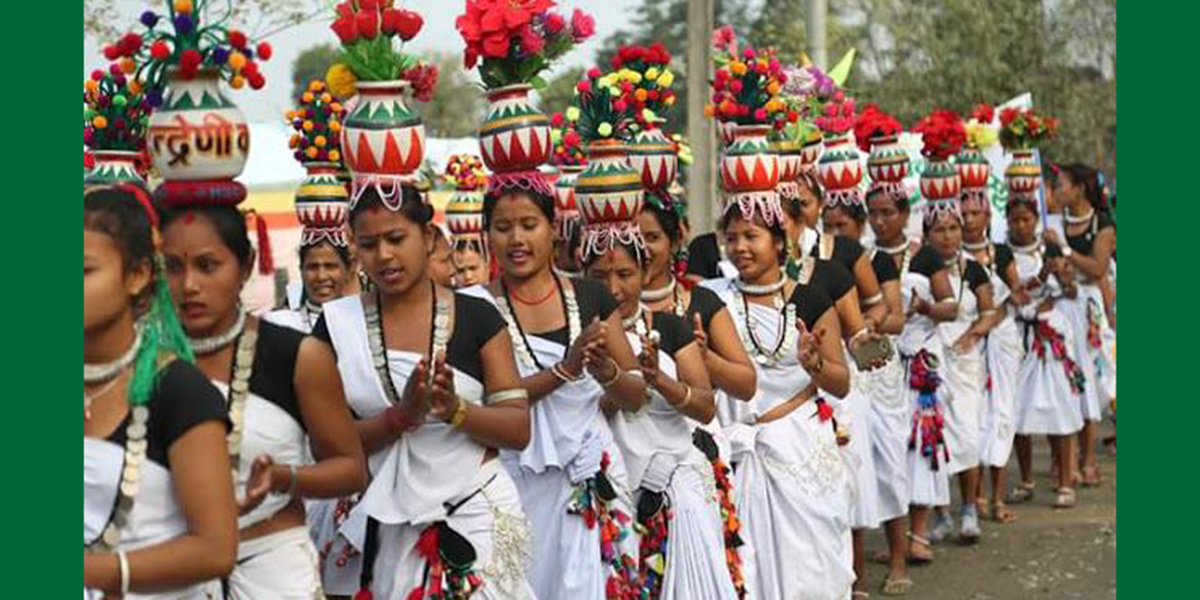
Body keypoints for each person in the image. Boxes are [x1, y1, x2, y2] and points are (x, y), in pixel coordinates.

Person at [314, 183, 537, 599]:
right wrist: (397, 419)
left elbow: (517, 428)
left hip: (476, 513)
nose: (383, 256)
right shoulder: (336, 326)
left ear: (429, 238)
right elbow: (323, 443)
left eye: (396, 239)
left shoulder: (476, 315)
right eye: (369, 244)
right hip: (387, 524)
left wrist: (455, 410)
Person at [158, 201, 368, 600]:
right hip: (169, 572)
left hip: (274, 572)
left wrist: (282, 478)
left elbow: (350, 469)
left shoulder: (297, 355)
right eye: (172, 267)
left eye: (207, 265)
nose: (188, 285)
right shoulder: (142, 362)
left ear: (246, 263)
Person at [465, 183, 648, 599]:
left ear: (554, 228)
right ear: (486, 233)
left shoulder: (588, 295)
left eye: (529, 225)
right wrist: (564, 371)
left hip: (589, 474)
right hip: (509, 479)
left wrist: (607, 373)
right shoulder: (472, 306)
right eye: (503, 227)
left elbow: (634, 394)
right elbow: (480, 402)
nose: (516, 239)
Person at [84, 185, 237, 599]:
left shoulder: (179, 390)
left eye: (82, 271)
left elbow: (216, 548)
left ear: (136, 276)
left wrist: (93, 571)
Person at [581, 202, 739, 599]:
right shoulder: (577, 338)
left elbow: (705, 406)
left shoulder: (667, 327)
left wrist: (658, 381)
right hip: (607, 491)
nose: (612, 289)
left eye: (624, 274)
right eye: (598, 276)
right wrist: (618, 382)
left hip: (674, 486)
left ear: (645, 272)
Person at [702, 191, 852, 600]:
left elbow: (841, 382)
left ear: (779, 240)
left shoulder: (811, 300)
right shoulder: (712, 300)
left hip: (801, 449)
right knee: (749, 569)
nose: (740, 247)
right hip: (738, 448)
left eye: (751, 236)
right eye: (731, 238)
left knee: (812, 566)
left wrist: (814, 364)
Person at [639, 193, 756, 596]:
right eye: (633, 238)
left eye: (652, 237)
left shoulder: (701, 301)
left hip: (696, 451)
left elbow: (745, 382)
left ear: (677, 239)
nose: (642, 249)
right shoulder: (609, 305)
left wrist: (706, 358)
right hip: (632, 457)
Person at [827, 184, 911, 596]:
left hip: (877, 369)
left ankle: (898, 559)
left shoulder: (875, 260)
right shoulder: (816, 258)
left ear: (858, 227)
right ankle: (854, 570)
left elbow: (894, 317)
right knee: (851, 467)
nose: (833, 231)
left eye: (841, 224)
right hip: (840, 372)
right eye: (827, 224)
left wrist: (857, 324)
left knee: (890, 464)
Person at [877, 195, 959, 566]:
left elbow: (951, 307)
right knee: (888, 448)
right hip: (879, 369)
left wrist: (925, 308)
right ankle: (893, 533)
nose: (881, 221)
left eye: (889, 213)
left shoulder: (925, 257)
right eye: (874, 214)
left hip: (919, 369)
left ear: (905, 215)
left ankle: (920, 533)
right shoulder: (866, 257)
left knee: (921, 446)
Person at [923, 201, 998, 547]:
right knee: (932, 439)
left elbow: (990, 312)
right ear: (927, 234)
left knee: (968, 436)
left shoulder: (974, 270)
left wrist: (973, 334)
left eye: (953, 228)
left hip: (965, 363)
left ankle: (969, 508)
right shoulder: (919, 269)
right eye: (940, 229)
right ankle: (940, 515)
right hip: (930, 363)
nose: (949, 236)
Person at [1007, 195, 1085, 509]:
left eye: (1027, 219)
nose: (1021, 225)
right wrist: (1038, 280)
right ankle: (1026, 479)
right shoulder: (1002, 254)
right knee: (1018, 413)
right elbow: (1010, 295)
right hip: (1018, 338)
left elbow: (1072, 290)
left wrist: (1063, 277)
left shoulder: (1050, 248)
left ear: (1036, 219)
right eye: (1015, 220)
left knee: (1060, 411)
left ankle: (1065, 480)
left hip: (1052, 340)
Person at [960, 191, 1025, 525]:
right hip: (966, 343)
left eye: (976, 213)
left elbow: (1017, 293)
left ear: (987, 217)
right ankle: (974, 498)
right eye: (965, 213)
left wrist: (993, 317)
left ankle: (997, 497)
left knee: (1000, 413)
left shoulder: (999, 253)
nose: (970, 219)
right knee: (971, 416)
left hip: (1000, 342)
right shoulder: (952, 256)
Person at [1049, 163, 1115, 489]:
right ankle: (1064, 461)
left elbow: (1098, 268)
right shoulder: (1054, 223)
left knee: (1086, 382)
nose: (1056, 189)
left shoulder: (1101, 224)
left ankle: (1088, 460)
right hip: (1060, 304)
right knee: (1061, 382)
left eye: (1061, 184)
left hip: (1086, 310)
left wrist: (1063, 251)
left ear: (1079, 188)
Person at [266, 240, 354, 334]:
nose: (321, 276)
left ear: (348, 271)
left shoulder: (360, 321)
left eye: (330, 266)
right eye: (313, 267)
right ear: (301, 271)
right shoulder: (280, 323)